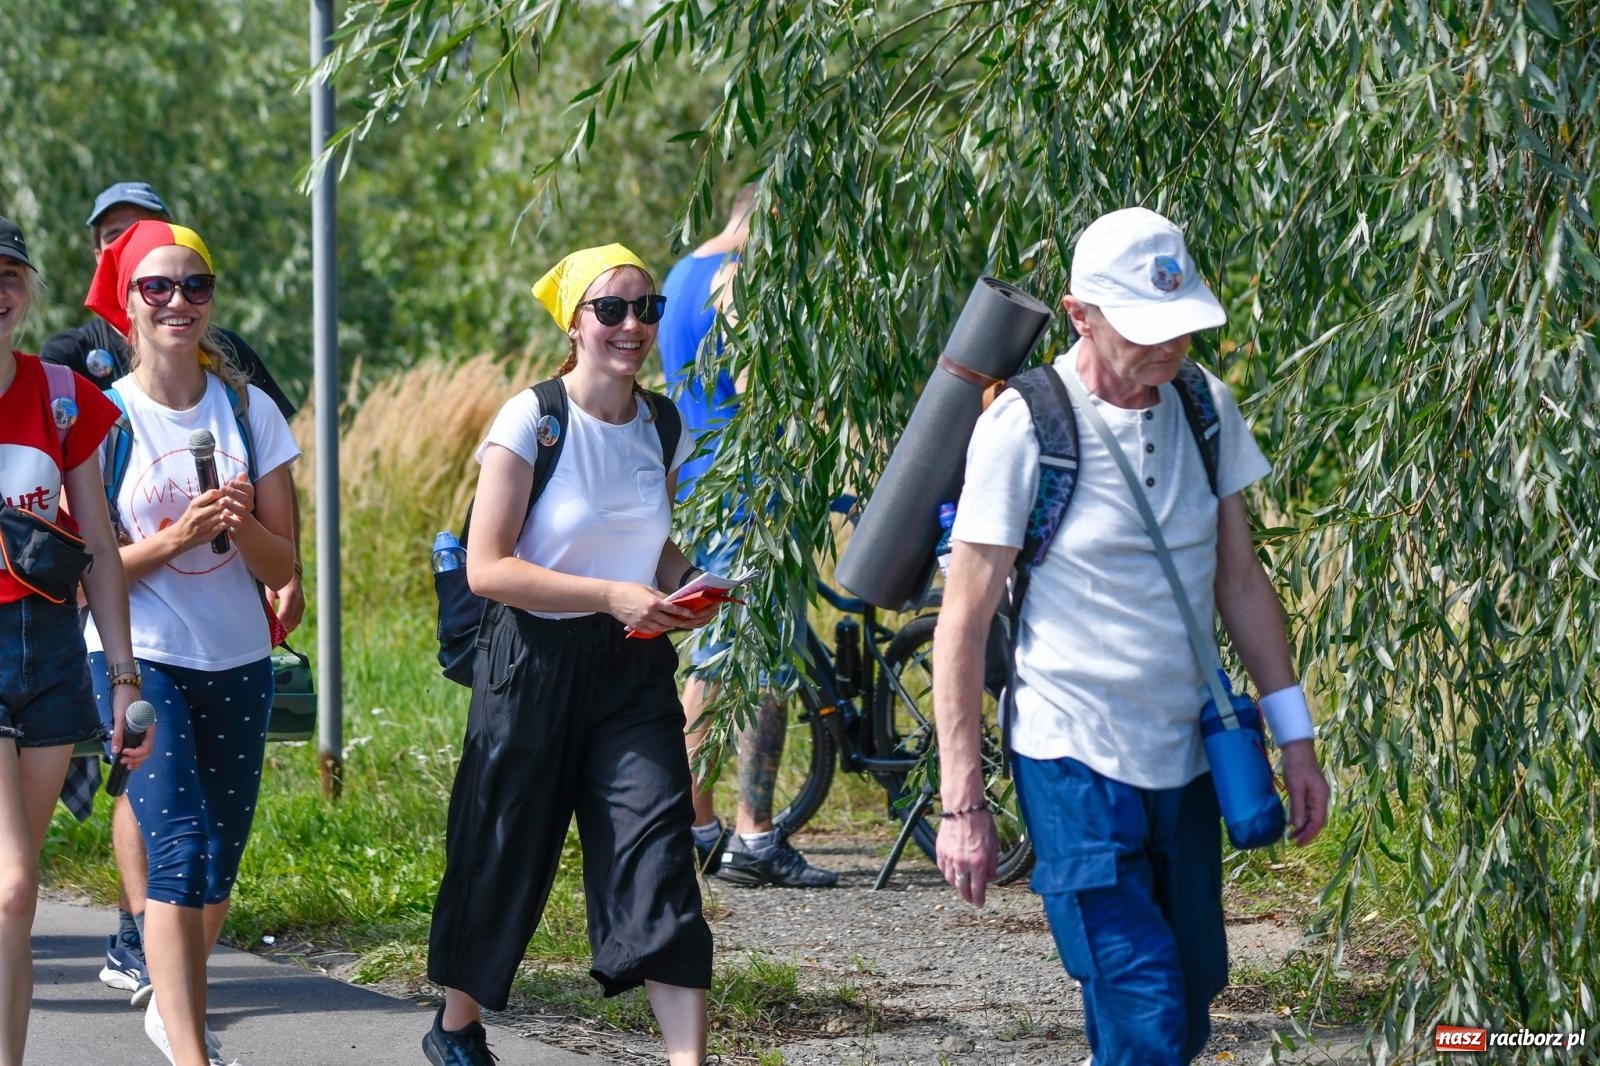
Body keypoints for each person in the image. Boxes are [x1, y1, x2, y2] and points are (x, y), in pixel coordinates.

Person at [932, 207, 1331, 1065]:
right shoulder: (1023, 428)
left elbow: (1241, 584)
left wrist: (1296, 740)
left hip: (1185, 756)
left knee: (1187, 999)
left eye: (1181, 326)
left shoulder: (1204, 406)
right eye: (1146, 330)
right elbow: (960, 625)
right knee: (1143, 997)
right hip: (1071, 757)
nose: (1170, 347)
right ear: (1080, 314)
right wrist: (962, 802)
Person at [424, 244, 718, 1066]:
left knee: (657, 851)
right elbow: (489, 568)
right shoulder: (532, 418)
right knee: (506, 845)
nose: (633, 327)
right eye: (612, 310)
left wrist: (687, 583)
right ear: (576, 323)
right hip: (533, 663)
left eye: (647, 309)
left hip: (632, 669)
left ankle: (686, 1060)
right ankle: (455, 1025)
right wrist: (609, 594)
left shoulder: (663, 423)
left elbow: (650, 543)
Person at [41, 181, 303, 1007]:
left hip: (239, 656)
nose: (179, 302)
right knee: (180, 844)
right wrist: (175, 538)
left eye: (196, 286)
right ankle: (185, 1034)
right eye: (158, 287)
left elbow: (280, 560)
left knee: (220, 860)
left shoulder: (249, 408)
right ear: (127, 305)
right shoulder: (100, 416)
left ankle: (170, 1004)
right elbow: (83, 572)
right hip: (137, 655)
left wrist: (240, 527)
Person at [0, 217, 151, 1065]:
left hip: (53, 649)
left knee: (8, 899)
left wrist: (123, 676)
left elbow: (97, 543)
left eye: (9, 273)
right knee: (14, 887)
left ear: (27, 291)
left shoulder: (63, 394)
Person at [659, 185, 837, 888]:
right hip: (752, 493)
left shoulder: (682, 274)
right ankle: (755, 836)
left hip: (703, 485)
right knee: (761, 663)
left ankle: (698, 825)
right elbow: (757, 383)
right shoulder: (741, 279)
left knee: (711, 657)